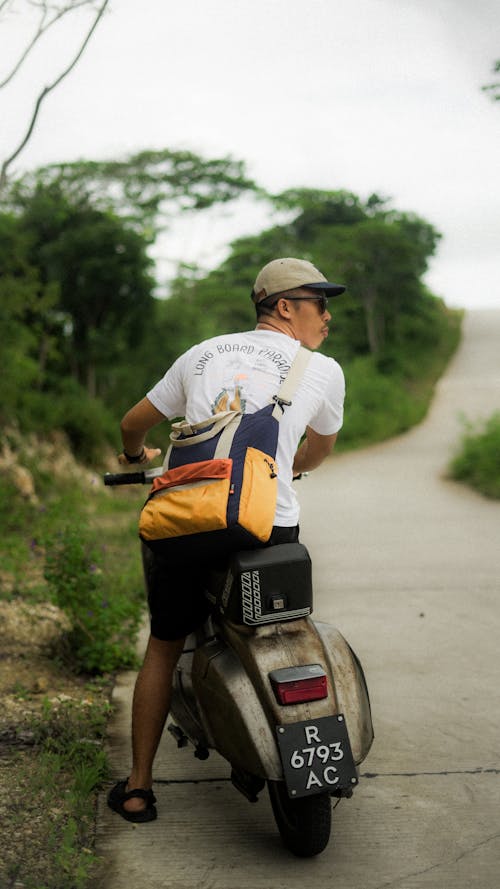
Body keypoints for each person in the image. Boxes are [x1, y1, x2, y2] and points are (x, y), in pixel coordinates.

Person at [107, 257, 346, 822]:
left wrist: (137, 455)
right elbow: (319, 448)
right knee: (281, 621)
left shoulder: (202, 354)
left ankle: (139, 787)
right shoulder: (323, 369)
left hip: (190, 521)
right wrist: (286, 469)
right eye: (319, 302)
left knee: (164, 644)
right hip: (268, 523)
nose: (327, 316)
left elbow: (131, 423)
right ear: (285, 306)